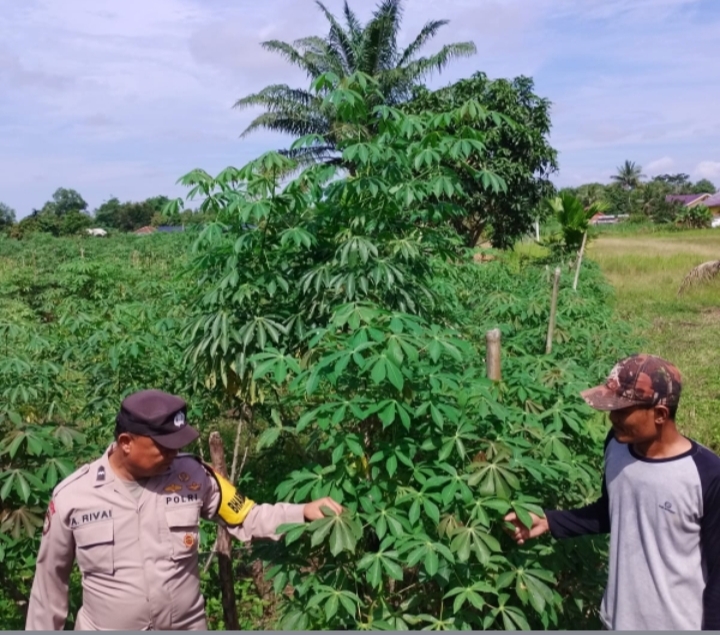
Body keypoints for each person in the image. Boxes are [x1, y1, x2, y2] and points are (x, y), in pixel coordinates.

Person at [25, 389, 343, 631]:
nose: (174, 453)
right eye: (164, 447)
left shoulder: (194, 476)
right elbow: (49, 588)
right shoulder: (73, 496)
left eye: (177, 444)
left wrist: (302, 512)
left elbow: (247, 514)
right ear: (126, 442)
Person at [504, 353, 720, 631]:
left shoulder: (707, 475)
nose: (611, 418)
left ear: (660, 414)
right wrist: (549, 521)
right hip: (617, 620)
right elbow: (613, 510)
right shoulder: (617, 446)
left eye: (622, 410)